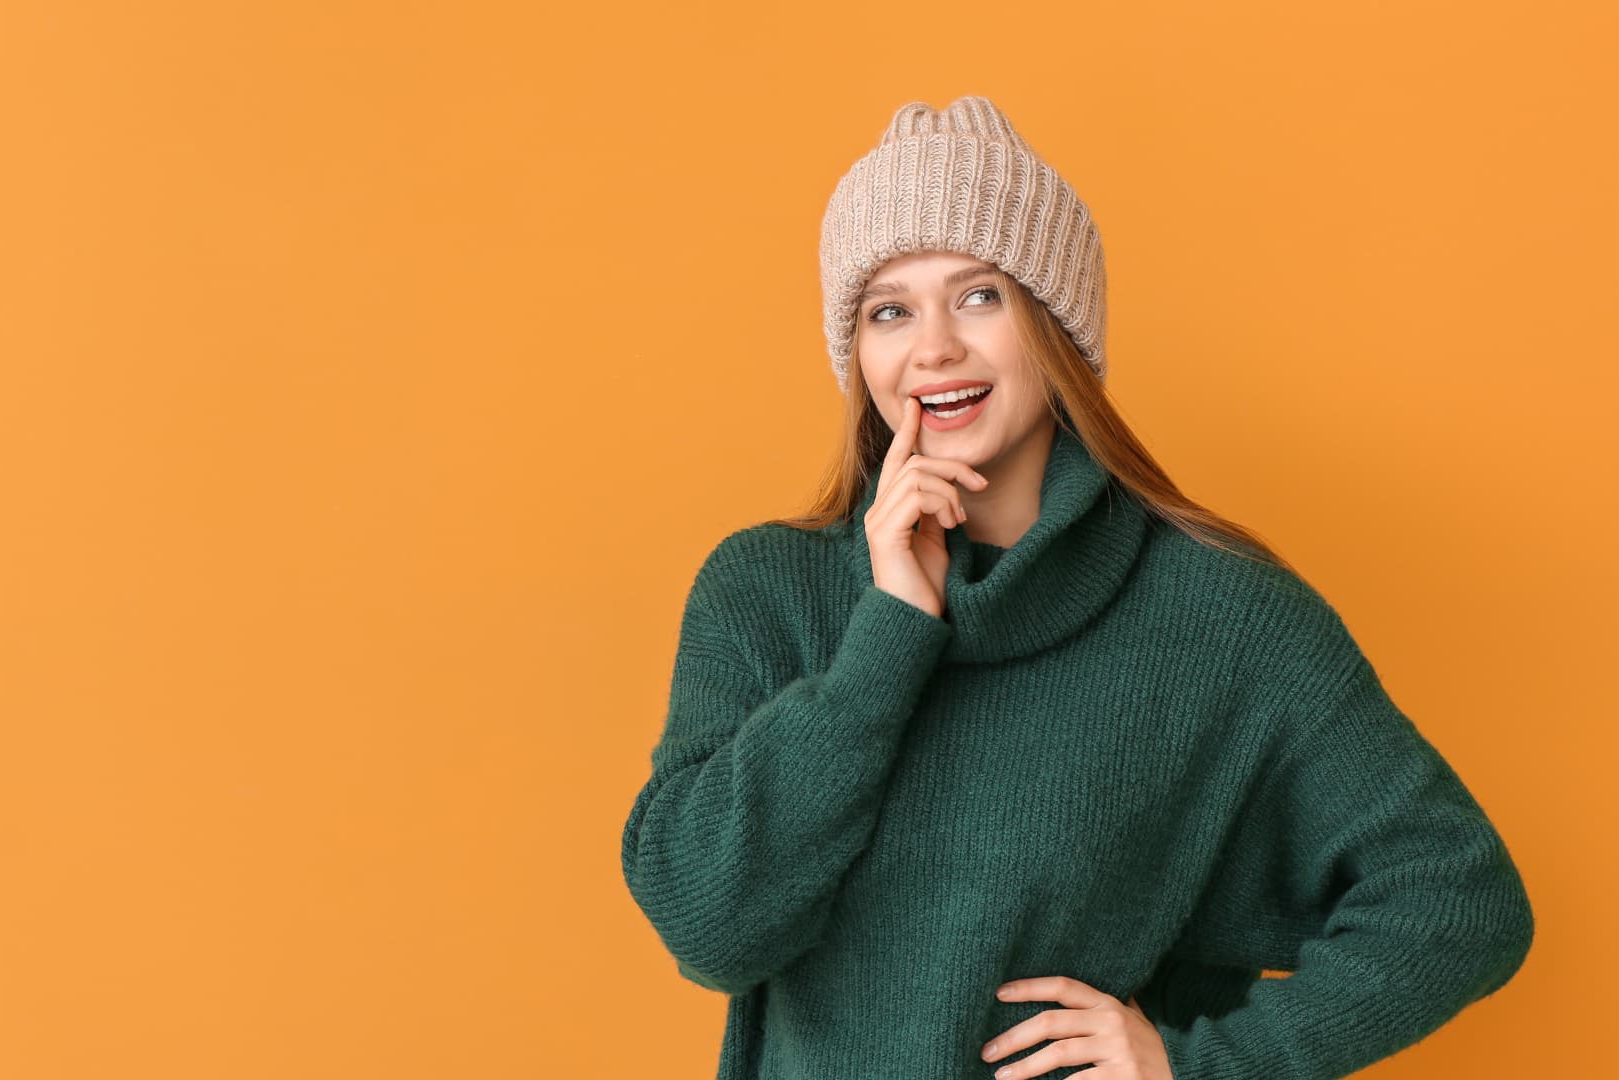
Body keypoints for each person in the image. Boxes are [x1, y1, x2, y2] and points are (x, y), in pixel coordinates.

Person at [621, 95, 1534, 1080]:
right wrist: (887, 634)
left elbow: (1458, 900)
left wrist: (1206, 1064)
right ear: (861, 357)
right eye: (890, 309)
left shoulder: (1221, 619)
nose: (933, 348)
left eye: (979, 296)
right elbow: (709, 927)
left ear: (1055, 325)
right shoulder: (766, 590)